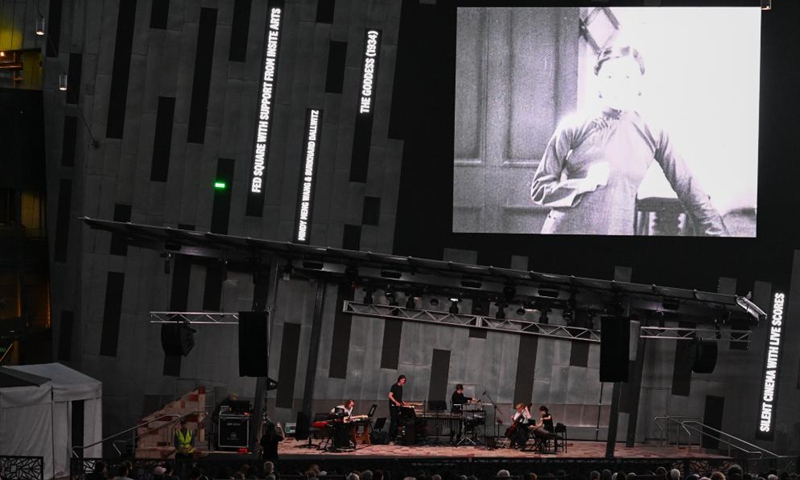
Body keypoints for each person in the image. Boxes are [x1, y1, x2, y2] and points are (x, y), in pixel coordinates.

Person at [530, 40, 726, 237]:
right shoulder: (573, 125)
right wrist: (584, 184)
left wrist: (719, 233)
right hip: (566, 231)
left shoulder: (654, 132)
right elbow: (540, 188)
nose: (618, 86)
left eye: (627, 77)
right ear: (598, 81)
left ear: (639, 82)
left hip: (618, 231)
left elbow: (688, 186)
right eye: (610, 76)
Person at [388, 375, 407, 441]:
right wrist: (396, 402)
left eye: (404, 381)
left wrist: (402, 402)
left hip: (398, 405)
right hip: (393, 405)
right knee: (393, 420)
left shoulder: (401, 387)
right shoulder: (394, 386)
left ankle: (395, 435)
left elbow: (399, 397)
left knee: (398, 420)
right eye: (403, 380)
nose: (404, 382)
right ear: (400, 379)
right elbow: (390, 395)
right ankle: (390, 436)